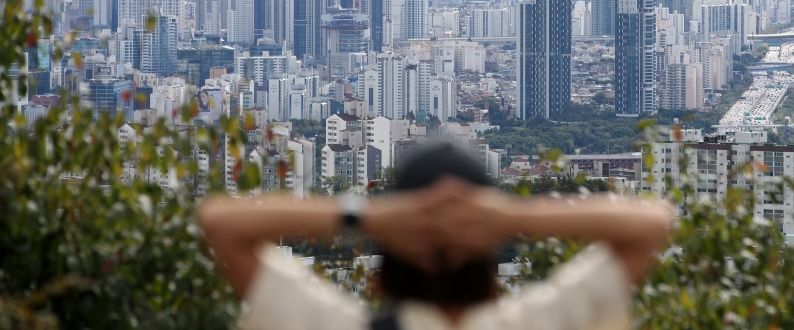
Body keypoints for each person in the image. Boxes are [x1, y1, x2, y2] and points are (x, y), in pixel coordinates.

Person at [198, 142, 673, 330]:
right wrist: (510, 217)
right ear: (486, 254)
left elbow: (221, 224)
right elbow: (651, 224)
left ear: (394, 252)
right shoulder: (541, 323)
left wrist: (368, 216)